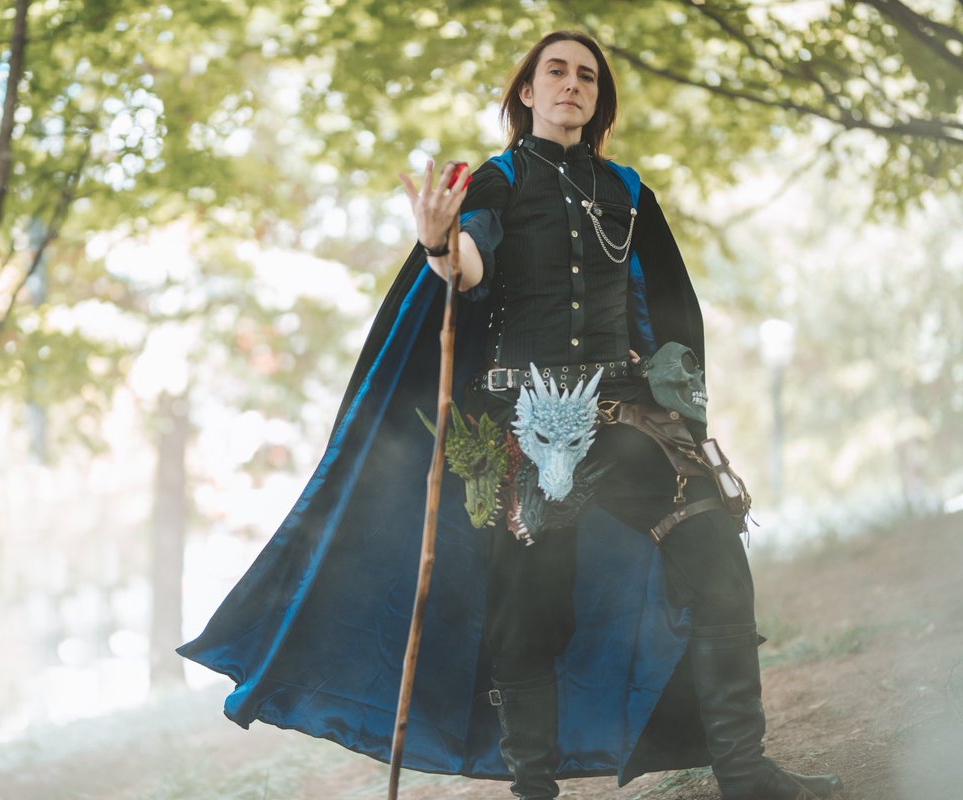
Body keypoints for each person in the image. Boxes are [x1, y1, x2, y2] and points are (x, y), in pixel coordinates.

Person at [179, 30, 843, 800]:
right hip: (528, 433)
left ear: (598, 99)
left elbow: (668, 309)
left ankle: (746, 775)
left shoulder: (628, 191)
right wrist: (439, 245)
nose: (572, 84)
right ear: (527, 92)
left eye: (587, 76)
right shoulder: (495, 182)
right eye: (555, 71)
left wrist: (682, 405)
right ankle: (534, 792)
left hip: (633, 424)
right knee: (527, 621)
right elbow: (470, 264)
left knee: (719, 564)